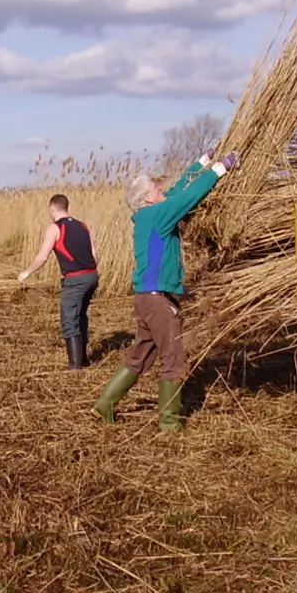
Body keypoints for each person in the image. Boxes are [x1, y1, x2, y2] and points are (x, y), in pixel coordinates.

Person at [91, 149, 239, 431]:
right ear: (148, 197)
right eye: (156, 188)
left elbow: (175, 191)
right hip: (158, 300)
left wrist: (199, 164)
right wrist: (220, 169)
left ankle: (104, 405)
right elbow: (187, 198)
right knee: (174, 357)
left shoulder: (151, 214)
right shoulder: (158, 215)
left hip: (146, 298)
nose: (162, 189)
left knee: (141, 355)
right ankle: (169, 423)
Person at [18, 194, 100, 369]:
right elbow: (94, 254)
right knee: (80, 315)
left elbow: (42, 257)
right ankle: (83, 359)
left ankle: (75, 365)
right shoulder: (83, 226)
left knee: (69, 319)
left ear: (53, 209)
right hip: (92, 276)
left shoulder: (55, 228)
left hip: (75, 280)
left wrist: (27, 272)